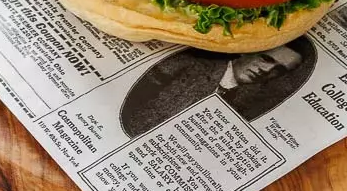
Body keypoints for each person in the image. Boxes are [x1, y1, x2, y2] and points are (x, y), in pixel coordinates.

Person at [120, 38, 316, 137]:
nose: (266, 70)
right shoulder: (187, 65)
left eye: (278, 69)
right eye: (266, 58)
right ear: (246, 51)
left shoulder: (246, 105)